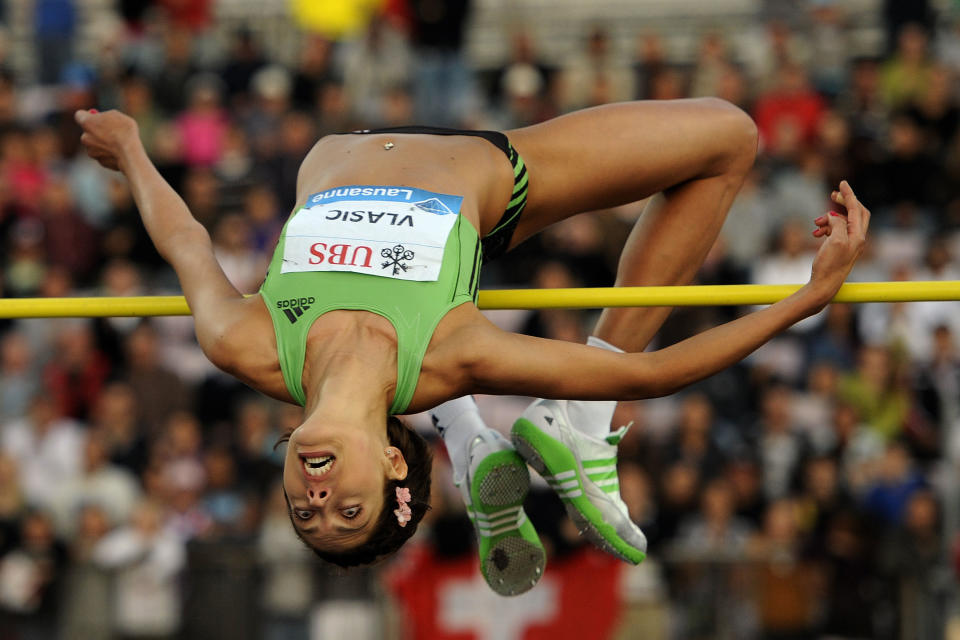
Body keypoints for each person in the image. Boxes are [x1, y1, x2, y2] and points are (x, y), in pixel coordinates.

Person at [73, 100, 869, 596]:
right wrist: (808, 296)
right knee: (730, 138)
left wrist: (134, 150)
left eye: (305, 512)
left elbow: (183, 236)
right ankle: (579, 428)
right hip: (495, 167)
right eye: (346, 511)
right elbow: (654, 373)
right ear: (390, 465)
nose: (318, 501)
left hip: (348, 144)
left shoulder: (243, 343)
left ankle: (476, 437)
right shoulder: (451, 356)